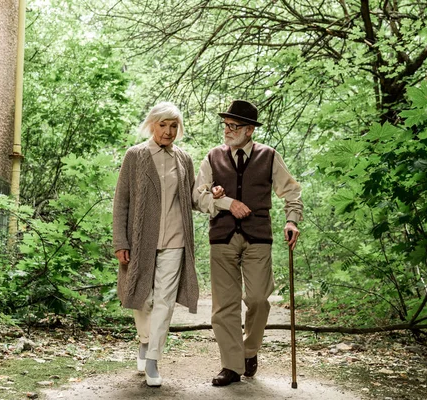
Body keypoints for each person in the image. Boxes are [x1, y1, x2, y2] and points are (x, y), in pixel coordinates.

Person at [193, 99, 303, 386]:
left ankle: (249, 350)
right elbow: (197, 197)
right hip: (222, 237)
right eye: (226, 125)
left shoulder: (268, 156)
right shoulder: (212, 157)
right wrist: (227, 203)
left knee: (257, 300)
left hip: (258, 237)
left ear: (250, 130)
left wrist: (291, 220)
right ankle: (231, 365)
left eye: (234, 126)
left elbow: (291, 191)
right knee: (224, 306)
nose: (227, 130)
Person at [112, 101, 199, 388]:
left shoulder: (183, 159)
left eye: (174, 126)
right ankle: (146, 340)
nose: (168, 131)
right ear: (152, 125)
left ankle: (153, 359)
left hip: (176, 239)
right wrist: (121, 241)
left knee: (164, 300)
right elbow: (121, 201)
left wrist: (216, 194)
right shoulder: (135, 156)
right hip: (141, 240)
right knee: (142, 295)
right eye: (163, 125)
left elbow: (193, 198)